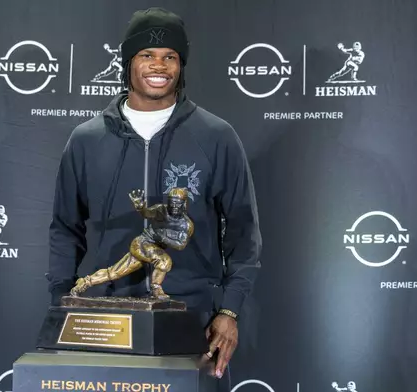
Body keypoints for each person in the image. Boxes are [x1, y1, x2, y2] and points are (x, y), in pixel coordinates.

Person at [47, 6, 262, 386]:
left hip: (191, 322)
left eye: (170, 57)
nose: (158, 66)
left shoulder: (216, 136)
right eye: (147, 55)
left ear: (181, 66)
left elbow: (244, 233)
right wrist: (62, 300)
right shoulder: (86, 140)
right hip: (103, 321)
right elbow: (65, 228)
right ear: (129, 62)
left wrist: (229, 310)